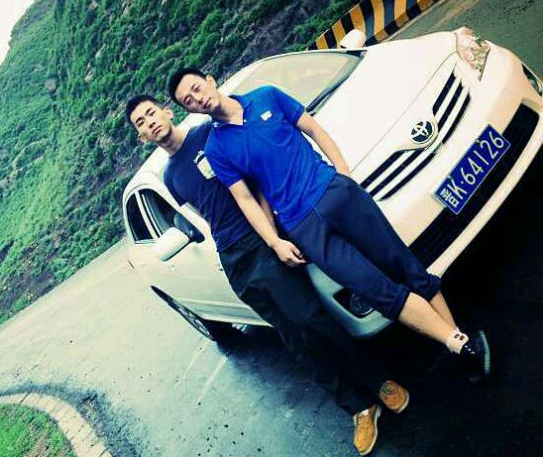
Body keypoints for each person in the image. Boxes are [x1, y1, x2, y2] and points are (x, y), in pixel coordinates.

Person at [127, 93, 411, 456]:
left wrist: (272, 233)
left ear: (167, 112)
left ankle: (380, 381)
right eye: (141, 123)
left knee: (311, 319)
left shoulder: (210, 135)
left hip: (260, 239)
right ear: (142, 137)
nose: (150, 122)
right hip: (233, 259)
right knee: (294, 340)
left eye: (151, 113)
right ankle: (358, 407)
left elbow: (255, 180)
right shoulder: (171, 177)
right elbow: (204, 214)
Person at [167, 67, 491, 385]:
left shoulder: (266, 97)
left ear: (210, 80)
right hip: (303, 226)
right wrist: (275, 242)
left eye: (196, 88)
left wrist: (343, 176)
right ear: (189, 111)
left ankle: (456, 344)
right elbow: (246, 199)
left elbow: (315, 130)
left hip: (336, 193)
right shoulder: (216, 149)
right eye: (188, 101)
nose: (197, 98)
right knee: (372, 288)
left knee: (403, 265)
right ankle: (462, 345)